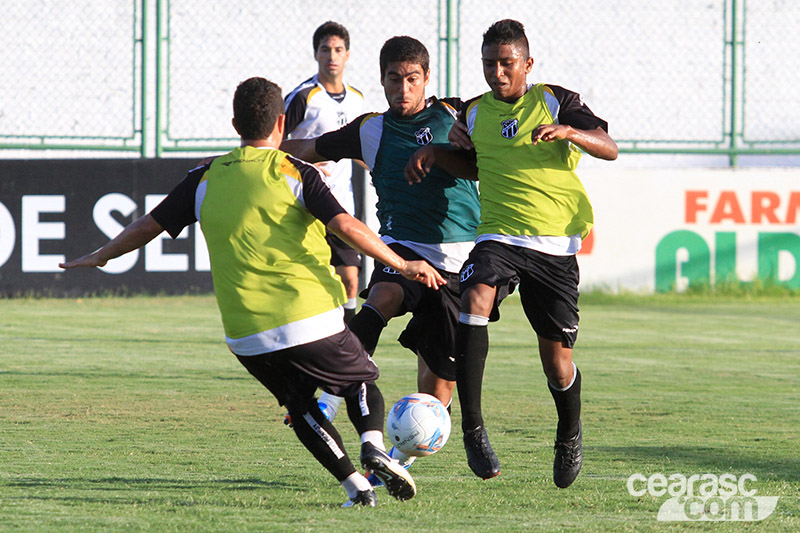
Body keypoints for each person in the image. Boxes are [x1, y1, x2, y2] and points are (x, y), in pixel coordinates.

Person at [60, 77, 447, 508]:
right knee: (361, 381)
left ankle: (356, 490)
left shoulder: (204, 177)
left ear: (234, 124)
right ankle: (374, 446)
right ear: (282, 123)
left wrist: (101, 255)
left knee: (301, 406)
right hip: (309, 316)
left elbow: (146, 226)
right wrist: (404, 263)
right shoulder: (294, 171)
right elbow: (346, 227)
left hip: (245, 335)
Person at [405, 19, 618, 488]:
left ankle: (569, 431)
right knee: (474, 297)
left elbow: (610, 147)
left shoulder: (556, 100)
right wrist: (439, 152)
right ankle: (472, 429)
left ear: (527, 64)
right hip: (498, 235)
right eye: (489, 64)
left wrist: (570, 132)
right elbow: (475, 164)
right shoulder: (475, 113)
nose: (497, 73)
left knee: (557, 364)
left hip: (554, 246)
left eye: (506, 64)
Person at [281, 36, 481, 473]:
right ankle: (329, 400)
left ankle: (395, 462)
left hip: (457, 262)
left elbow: (498, 137)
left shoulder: (457, 115)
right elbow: (309, 149)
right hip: (402, 249)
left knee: (436, 390)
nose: (403, 89)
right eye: (394, 79)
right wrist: (258, 150)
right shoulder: (369, 128)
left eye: (412, 79)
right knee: (382, 298)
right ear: (382, 79)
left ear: (426, 78)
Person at [283, 21, 365, 324]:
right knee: (304, 281)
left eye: (338, 50)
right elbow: (271, 142)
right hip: (303, 205)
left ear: (347, 55)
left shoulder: (357, 100)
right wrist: (303, 162)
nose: (332, 55)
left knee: (350, 280)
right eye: (326, 49)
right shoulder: (304, 97)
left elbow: (361, 147)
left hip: (342, 205)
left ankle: (353, 346)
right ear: (316, 54)